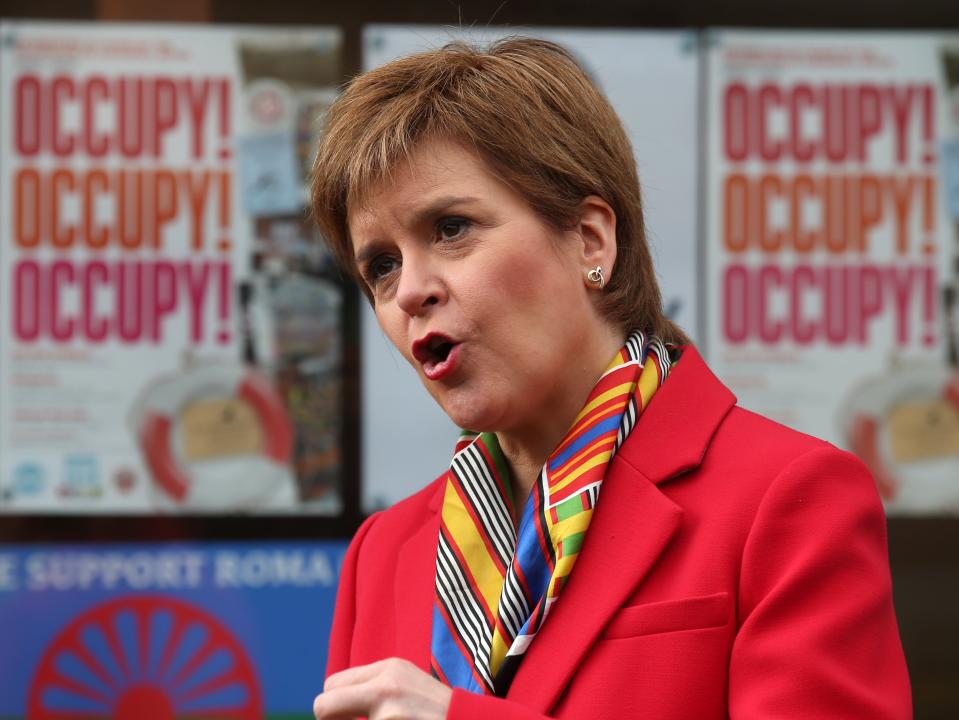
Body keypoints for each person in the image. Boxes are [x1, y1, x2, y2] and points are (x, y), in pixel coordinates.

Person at [308, 37, 911, 720]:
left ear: (590, 241)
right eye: (381, 265)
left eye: (450, 228)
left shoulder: (788, 497)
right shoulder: (382, 552)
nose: (410, 289)